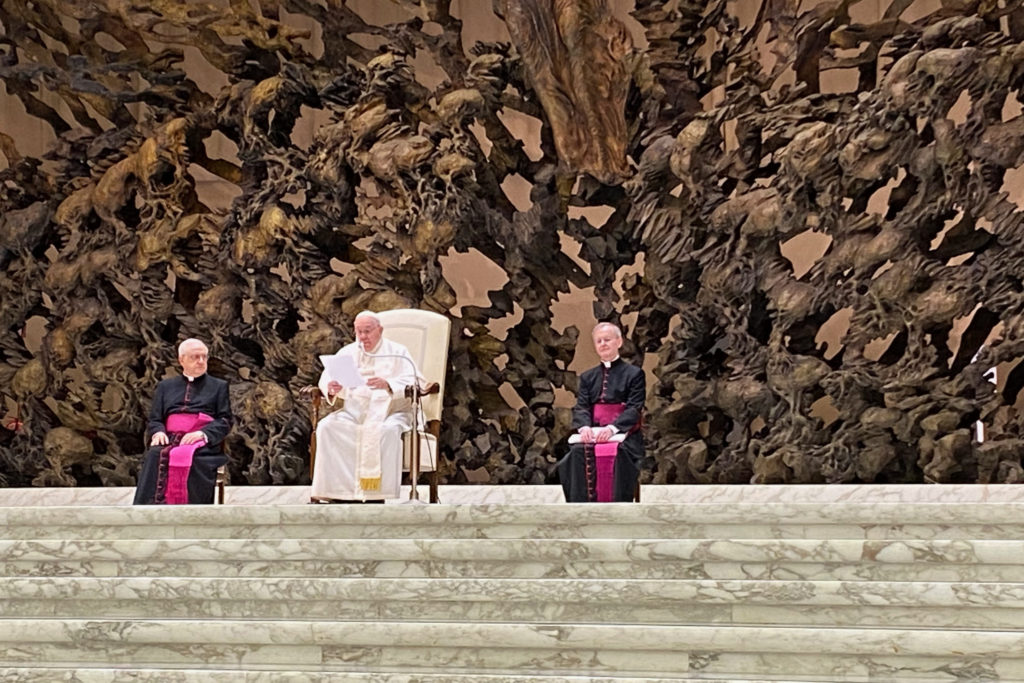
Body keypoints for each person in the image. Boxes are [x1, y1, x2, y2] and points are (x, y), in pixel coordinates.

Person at [311, 310, 417, 503]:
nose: (362, 336)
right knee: (327, 427)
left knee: (388, 431)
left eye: (367, 331)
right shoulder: (348, 352)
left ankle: (376, 495)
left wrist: (388, 384)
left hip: (390, 411)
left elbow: (414, 381)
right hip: (356, 411)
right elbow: (327, 378)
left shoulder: (398, 352)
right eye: (358, 332)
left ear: (380, 330)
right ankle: (338, 492)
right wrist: (332, 388)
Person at [134, 338, 232, 505]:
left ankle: (193, 513)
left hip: (201, 443)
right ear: (181, 360)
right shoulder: (165, 386)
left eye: (204, 357)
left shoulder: (219, 386)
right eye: (195, 357)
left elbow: (225, 419)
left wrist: (203, 434)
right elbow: (155, 418)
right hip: (170, 439)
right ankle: (150, 512)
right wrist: (158, 432)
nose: (201, 361)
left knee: (195, 459)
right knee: (155, 454)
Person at [558, 322, 646, 502]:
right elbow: (582, 406)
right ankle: (580, 509)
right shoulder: (588, 377)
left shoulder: (634, 374)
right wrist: (584, 428)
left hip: (624, 434)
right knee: (574, 454)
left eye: (607, 340)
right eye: (599, 341)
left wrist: (612, 429)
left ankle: (617, 507)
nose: (603, 344)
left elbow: (634, 407)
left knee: (620, 454)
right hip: (593, 433)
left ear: (619, 342)